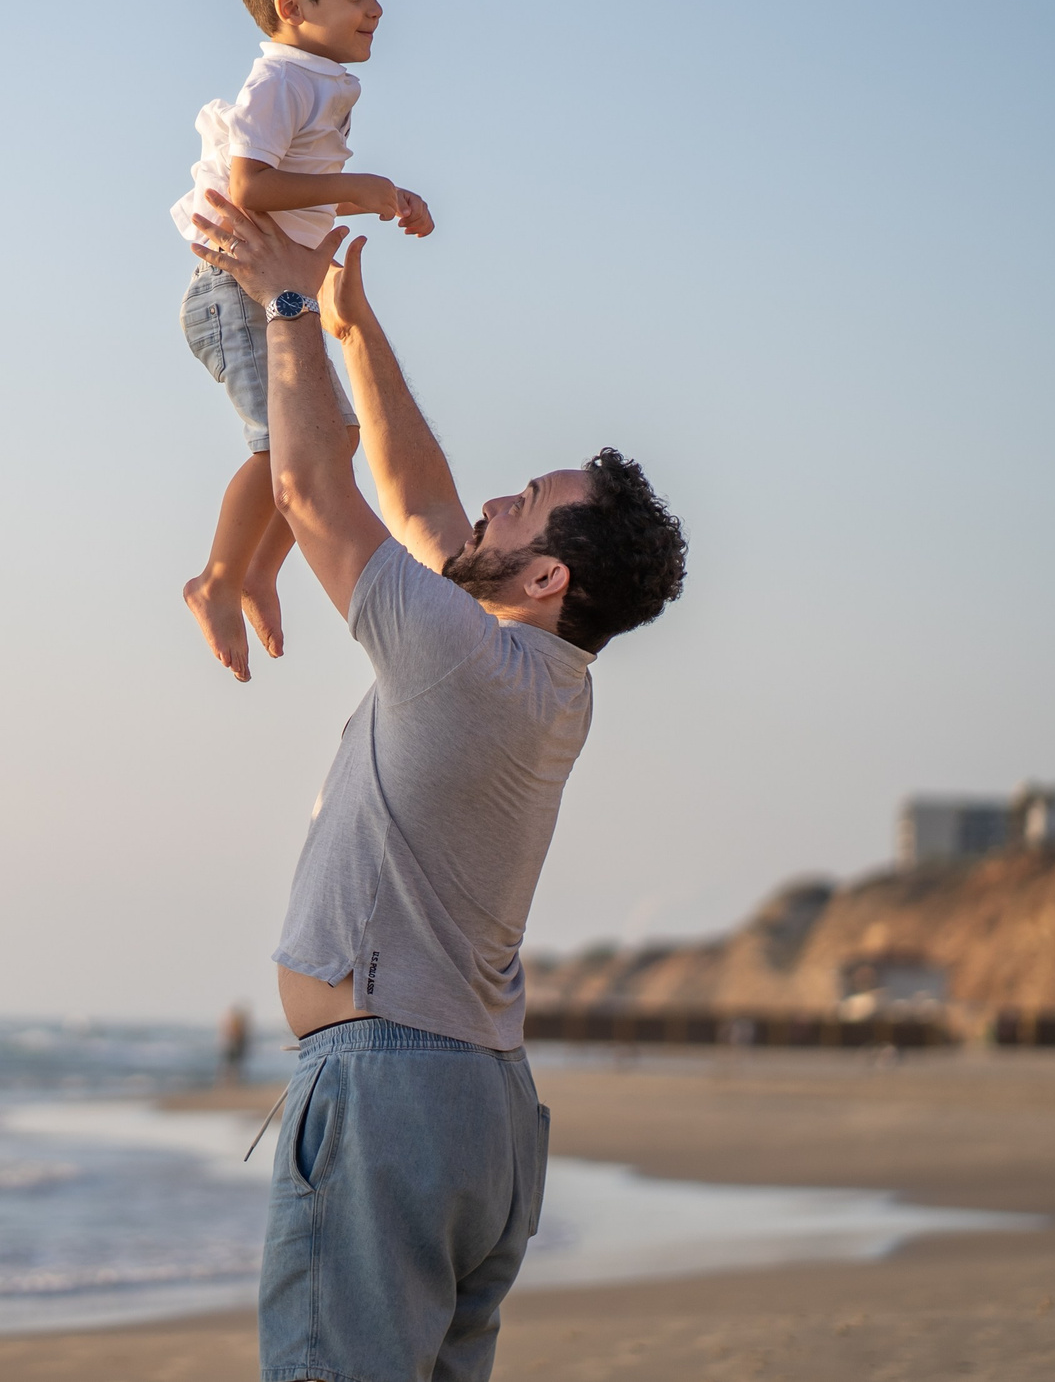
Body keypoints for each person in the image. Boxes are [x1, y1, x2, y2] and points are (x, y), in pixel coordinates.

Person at [188, 193, 688, 1382]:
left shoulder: (470, 663)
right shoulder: (541, 674)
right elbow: (420, 504)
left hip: (390, 1101)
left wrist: (291, 303)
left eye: (522, 504)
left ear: (546, 572)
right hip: (483, 1114)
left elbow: (315, 494)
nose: (492, 504)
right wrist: (356, 333)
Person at [172, 0, 435, 683]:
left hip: (269, 291)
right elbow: (252, 183)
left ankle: (257, 569)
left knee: (336, 439)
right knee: (278, 445)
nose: (374, 10)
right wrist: (361, 186)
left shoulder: (318, 80)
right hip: (234, 291)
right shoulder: (282, 78)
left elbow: (298, 192)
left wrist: (385, 198)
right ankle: (215, 578)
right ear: (294, 7)